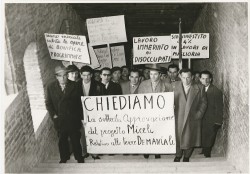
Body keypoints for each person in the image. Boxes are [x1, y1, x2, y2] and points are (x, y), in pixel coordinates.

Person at [45, 65, 85, 163]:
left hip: (73, 118)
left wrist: (81, 117)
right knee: (62, 139)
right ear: (56, 77)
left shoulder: (75, 86)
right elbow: (48, 103)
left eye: (64, 76)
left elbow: (80, 103)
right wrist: (54, 115)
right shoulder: (51, 87)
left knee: (75, 139)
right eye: (60, 76)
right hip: (60, 119)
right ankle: (64, 157)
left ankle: (79, 157)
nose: (63, 78)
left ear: (67, 75)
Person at [172, 68, 207, 162]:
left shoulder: (200, 87)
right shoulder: (173, 86)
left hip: (192, 117)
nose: (186, 80)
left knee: (190, 137)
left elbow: (204, 103)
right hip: (178, 117)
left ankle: (187, 156)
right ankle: (178, 155)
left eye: (188, 77)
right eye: (183, 77)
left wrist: (198, 115)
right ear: (180, 77)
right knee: (177, 136)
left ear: (192, 77)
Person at [138, 64, 172, 159]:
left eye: (155, 74)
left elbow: (170, 100)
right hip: (146, 113)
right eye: (151, 74)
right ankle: (147, 150)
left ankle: (157, 151)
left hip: (160, 114)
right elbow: (139, 99)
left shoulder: (167, 85)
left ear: (160, 75)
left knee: (158, 132)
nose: (153, 76)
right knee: (147, 132)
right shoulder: (143, 84)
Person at [79, 65, 106, 160]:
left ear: (91, 75)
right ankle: (84, 152)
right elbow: (74, 102)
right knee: (82, 133)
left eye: (88, 75)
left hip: (95, 114)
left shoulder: (99, 86)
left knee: (95, 132)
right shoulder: (76, 86)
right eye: (84, 75)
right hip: (81, 114)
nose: (86, 77)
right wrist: (80, 117)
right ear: (81, 75)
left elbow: (103, 101)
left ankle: (95, 152)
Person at [200, 70, 223, 158]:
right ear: (200, 79)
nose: (205, 81)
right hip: (201, 118)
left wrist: (218, 121)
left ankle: (207, 152)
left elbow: (219, 107)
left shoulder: (216, 91)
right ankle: (204, 149)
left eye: (207, 79)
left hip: (211, 118)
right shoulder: (196, 89)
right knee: (202, 134)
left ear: (211, 79)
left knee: (210, 135)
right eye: (203, 78)